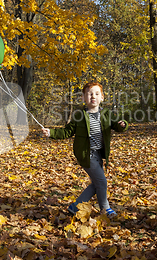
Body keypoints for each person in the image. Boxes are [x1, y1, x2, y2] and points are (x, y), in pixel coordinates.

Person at [42, 81, 128, 219]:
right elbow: (66, 132)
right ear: (83, 98)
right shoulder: (79, 115)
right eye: (89, 94)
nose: (93, 96)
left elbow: (117, 125)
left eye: (96, 94)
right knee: (102, 182)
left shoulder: (106, 114)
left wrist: (122, 125)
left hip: (99, 154)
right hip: (86, 154)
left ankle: (75, 206)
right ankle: (105, 208)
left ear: (102, 97)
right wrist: (51, 133)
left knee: (96, 184)